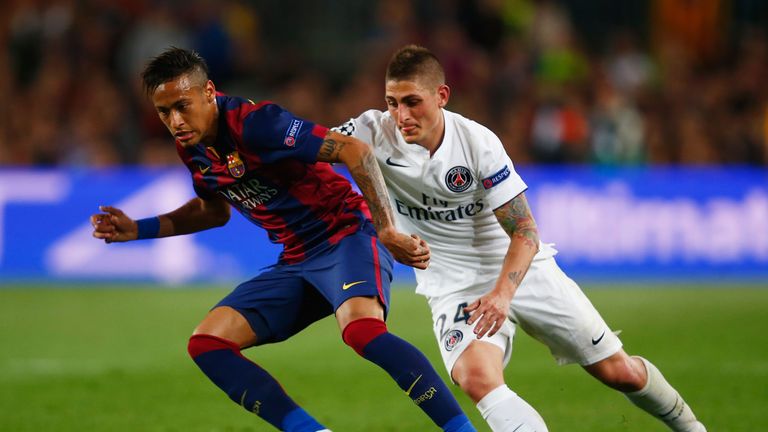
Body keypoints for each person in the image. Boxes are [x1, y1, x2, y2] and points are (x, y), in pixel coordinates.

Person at [89, 47, 476, 432]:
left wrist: (387, 228)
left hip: (345, 234)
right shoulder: (193, 146)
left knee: (361, 332)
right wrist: (140, 229)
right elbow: (214, 211)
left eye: (182, 105)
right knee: (207, 343)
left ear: (208, 91)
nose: (175, 120)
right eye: (164, 111)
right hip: (296, 259)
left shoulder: (258, 124)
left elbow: (356, 150)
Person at [333, 45, 707, 432]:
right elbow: (298, 144)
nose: (401, 115)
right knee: (476, 378)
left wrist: (501, 294)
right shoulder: (371, 131)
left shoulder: (478, 143)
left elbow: (525, 230)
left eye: (412, 102)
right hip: (454, 283)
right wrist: (264, 124)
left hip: (520, 270)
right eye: (392, 103)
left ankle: (693, 428)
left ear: (442, 96)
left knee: (618, 371)